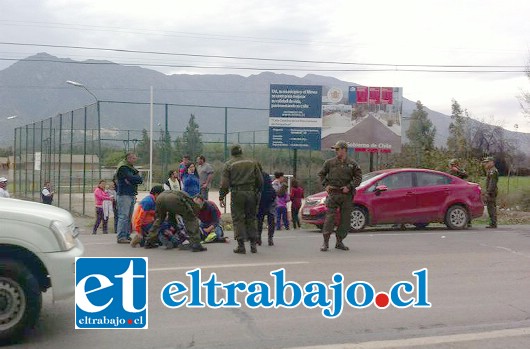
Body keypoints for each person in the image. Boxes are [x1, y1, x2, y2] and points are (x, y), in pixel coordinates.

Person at [318, 140, 362, 252]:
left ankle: (339, 241)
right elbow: (321, 174)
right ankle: (325, 242)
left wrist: (350, 186)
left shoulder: (352, 164)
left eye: (338, 149)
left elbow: (358, 178)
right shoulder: (329, 163)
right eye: (335, 149)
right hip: (333, 193)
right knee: (330, 218)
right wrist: (325, 185)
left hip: (346, 194)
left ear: (344, 150)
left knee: (345, 219)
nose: (336, 151)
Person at [219, 144, 263, 254]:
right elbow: (260, 180)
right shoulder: (252, 162)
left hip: (237, 193)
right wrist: (256, 191)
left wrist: (221, 196)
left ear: (232, 153)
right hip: (251, 193)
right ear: (241, 152)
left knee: (238, 219)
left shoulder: (229, 164)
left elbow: (224, 184)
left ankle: (241, 246)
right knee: (251, 218)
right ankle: (253, 245)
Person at [115, 152, 143, 244]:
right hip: (124, 194)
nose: (135, 160)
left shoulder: (131, 168)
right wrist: (133, 178)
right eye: (134, 158)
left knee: (129, 216)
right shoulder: (123, 168)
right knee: (123, 216)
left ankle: (126, 235)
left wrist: (133, 179)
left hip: (131, 194)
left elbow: (139, 179)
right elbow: (132, 177)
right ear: (129, 158)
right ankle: (121, 236)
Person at [257, 171, 276, 246]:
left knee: (259, 221)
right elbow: (274, 194)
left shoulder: (257, 177)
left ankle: (258, 237)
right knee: (271, 221)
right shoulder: (267, 178)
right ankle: (270, 238)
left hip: (261, 203)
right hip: (270, 202)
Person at [482, 156, 498, 229]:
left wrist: (488, 192)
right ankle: (492, 222)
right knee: (490, 207)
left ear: (492, 162)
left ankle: (493, 223)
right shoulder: (490, 170)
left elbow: (492, 183)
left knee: (491, 207)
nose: (486, 164)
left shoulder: (493, 171)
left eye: (487, 162)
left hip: (491, 192)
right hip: (491, 191)